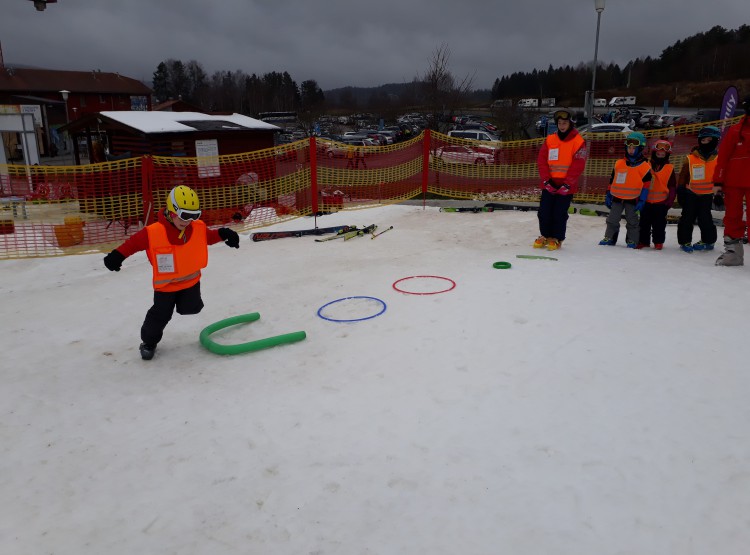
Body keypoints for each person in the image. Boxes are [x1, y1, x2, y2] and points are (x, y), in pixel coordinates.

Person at [102, 185, 240, 360]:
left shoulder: (195, 228)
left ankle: (183, 306)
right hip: (166, 287)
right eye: (184, 215)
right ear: (171, 211)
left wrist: (224, 234)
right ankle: (148, 343)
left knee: (192, 308)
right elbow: (133, 244)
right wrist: (117, 256)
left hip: (190, 282)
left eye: (194, 216)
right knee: (161, 315)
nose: (188, 221)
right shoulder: (153, 232)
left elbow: (208, 237)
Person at [534, 109, 587, 251]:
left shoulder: (578, 141)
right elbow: (542, 161)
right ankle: (545, 235)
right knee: (544, 212)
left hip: (566, 186)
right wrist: (546, 180)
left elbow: (578, 164)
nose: (562, 125)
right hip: (549, 184)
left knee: (559, 213)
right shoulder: (550, 139)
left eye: (564, 123)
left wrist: (568, 183)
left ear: (571, 123)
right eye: (559, 123)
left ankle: (556, 237)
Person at [713, 95, 750, 266]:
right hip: (733, 182)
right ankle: (733, 253)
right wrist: (718, 183)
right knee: (732, 217)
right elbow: (723, 158)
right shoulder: (735, 130)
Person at [599, 132, 651, 248]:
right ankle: (610, 237)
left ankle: (632, 240)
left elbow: (646, 185)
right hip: (617, 197)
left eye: (634, 148)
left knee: (632, 221)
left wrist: (642, 200)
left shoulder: (645, 166)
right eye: (629, 147)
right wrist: (608, 194)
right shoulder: (619, 163)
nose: (631, 150)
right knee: (612, 219)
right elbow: (612, 180)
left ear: (640, 148)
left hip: (633, 199)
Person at [676, 125, 720, 253]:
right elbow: (684, 175)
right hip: (691, 193)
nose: (706, 143)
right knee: (687, 218)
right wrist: (681, 190)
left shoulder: (718, 159)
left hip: (707, 195)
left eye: (709, 141)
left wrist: (720, 193)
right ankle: (685, 241)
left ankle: (708, 241)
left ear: (715, 141)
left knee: (705, 218)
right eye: (703, 140)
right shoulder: (691, 158)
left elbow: (721, 176)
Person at [636, 139, 676, 250]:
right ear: (654, 153)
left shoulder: (669, 168)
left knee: (659, 224)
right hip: (646, 201)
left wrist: (670, 200)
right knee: (644, 223)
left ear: (667, 155)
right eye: (658, 153)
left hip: (661, 202)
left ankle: (658, 242)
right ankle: (643, 241)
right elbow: (639, 181)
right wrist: (638, 198)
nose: (660, 155)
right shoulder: (646, 165)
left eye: (663, 154)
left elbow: (672, 186)